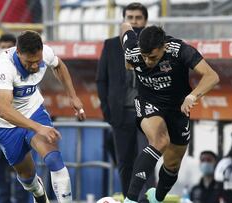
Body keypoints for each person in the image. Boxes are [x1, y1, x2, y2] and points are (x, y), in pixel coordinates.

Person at [120, 23, 220, 203]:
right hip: (148, 102)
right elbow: (125, 28)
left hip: (178, 108)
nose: (148, 61)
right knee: (160, 140)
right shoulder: (133, 52)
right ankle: (131, 199)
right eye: (144, 56)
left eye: (153, 57)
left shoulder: (179, 50)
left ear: (163, 47)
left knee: (173, 164)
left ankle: (156, 198)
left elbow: (212, 76)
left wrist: (192, 96)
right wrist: (127, 55)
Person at [0, 30, 86, 203]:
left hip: (33, 111)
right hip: (5, 123)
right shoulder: (3, 67)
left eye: (37, 61)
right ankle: (38, 193)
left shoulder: (44, 52)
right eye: (29, 62)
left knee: (54, 159)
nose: (34, 66)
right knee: (27, 176)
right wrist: (39, 128)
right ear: (18, 53)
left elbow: (59, 66)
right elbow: (5, 111)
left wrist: (73, 96)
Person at [96, 2, 154, 201]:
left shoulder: (155, 43)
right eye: (130, 18)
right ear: (123, 20)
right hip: (121, 115)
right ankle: (130, 199)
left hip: (148, 114)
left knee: (147, 160)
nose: (134, 22)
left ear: (145, 21)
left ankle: (147, 199)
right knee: (124, 162)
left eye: (138, 18)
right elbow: (101, 80)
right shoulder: (111, 45)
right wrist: (107, 111)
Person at [0, 33, 30, 203]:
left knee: (22, 173)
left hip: (18, 130)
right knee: (0, 173)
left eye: (8, 46)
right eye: (2, 46)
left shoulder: (24, 73)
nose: (4, 49)